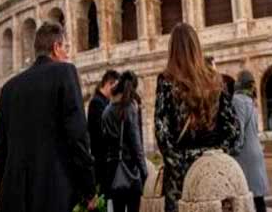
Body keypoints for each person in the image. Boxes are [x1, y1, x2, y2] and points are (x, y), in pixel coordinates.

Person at [0, 21, 98, 212]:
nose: (67, 54)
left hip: (13, 198)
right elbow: (78, 137)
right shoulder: (65, 73)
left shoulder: (9, 88)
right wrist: (88, 189)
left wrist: (7, 188)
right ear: (56, 48)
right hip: (53, 194)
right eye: (65, 48)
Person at [154, 23, 240, 212]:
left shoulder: (167, 81)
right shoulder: (216, 79)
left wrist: (181, 163)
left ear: (173, 49)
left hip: (180, 179)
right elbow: (234, 130)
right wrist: (217, 155)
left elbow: (162, 131)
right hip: (215, 173)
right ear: (197, 46)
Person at [102, 70, 148, 212]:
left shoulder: (107, 110)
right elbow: (136, 144)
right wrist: (144, 171)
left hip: (113, 169)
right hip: (130, 169)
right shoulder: (129, 108)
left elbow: (105, 141)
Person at [231, 70, 269, 212]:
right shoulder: (250, 101)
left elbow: (239, 129)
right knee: (258, 198)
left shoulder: (238, 100)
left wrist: (232, 150)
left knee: (246, 198)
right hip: (255, 152)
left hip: (245, 155)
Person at [88, 69, 120, 194]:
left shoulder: (103, 102)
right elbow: (101, 133)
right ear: (108, 84)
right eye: (115, 87)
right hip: (103, 161)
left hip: (105, 160)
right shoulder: (97, 103)